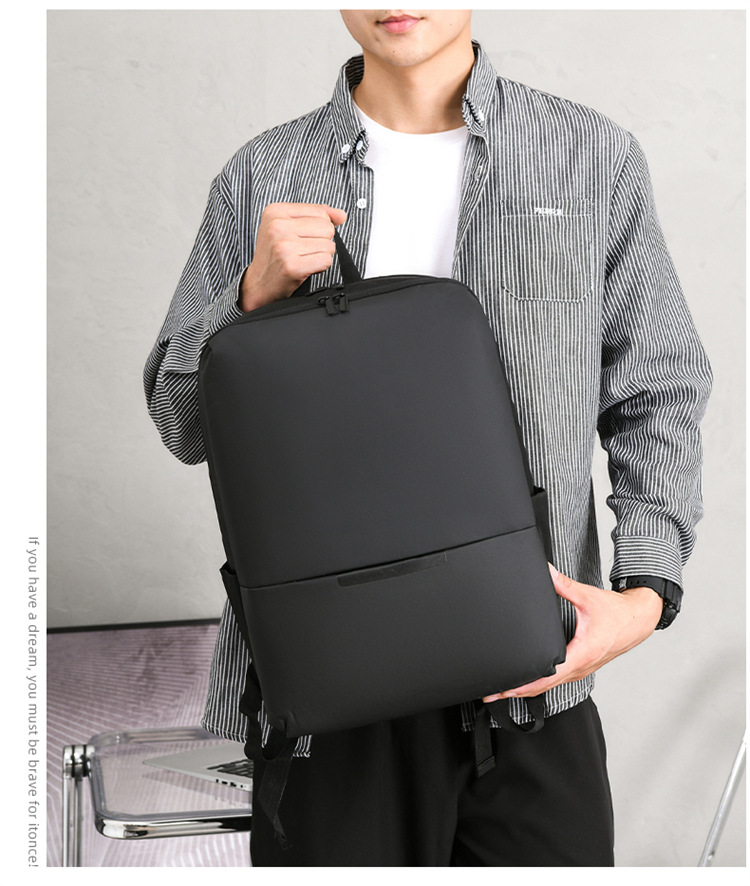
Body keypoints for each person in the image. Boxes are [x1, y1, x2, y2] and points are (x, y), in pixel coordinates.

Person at [144, 10, 712, 866]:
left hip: (533, 693)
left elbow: (659, 389)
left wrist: (646, 594)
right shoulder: (261, 173)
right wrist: (249, 300)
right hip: (330, 712)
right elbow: (180, 422)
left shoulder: (592, 157)